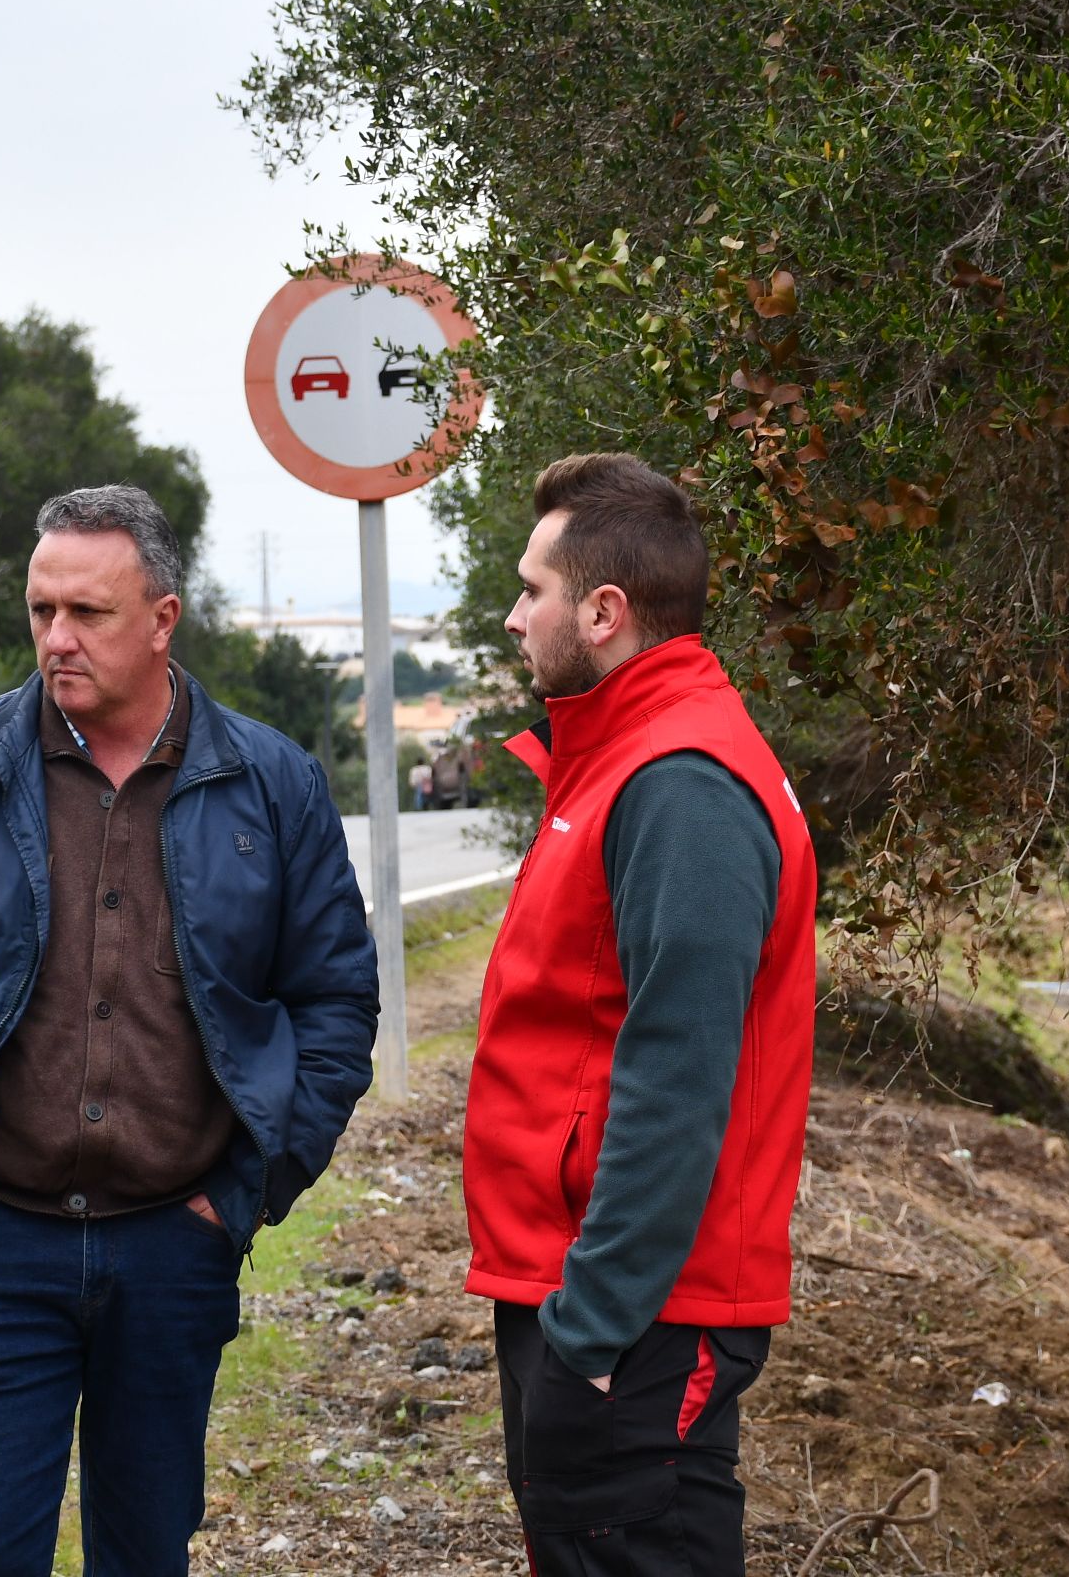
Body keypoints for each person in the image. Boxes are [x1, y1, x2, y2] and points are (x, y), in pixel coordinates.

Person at [0, 484, 378, 1577]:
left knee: (145, 1547)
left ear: (163, 618)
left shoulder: (272, 782)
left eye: (89, 612)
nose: (57, 638)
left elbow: (334, 1001)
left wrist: (250, 1190)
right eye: (40, 610)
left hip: (178, 1237)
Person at [465, 454, 819, 1575]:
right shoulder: (620, 759)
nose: (515, 615)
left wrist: (589, 1329)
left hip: (632, 1317)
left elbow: (679, 1077)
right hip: (587, 1296)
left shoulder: (680, 783)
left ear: (604, 611)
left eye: (534, 590)